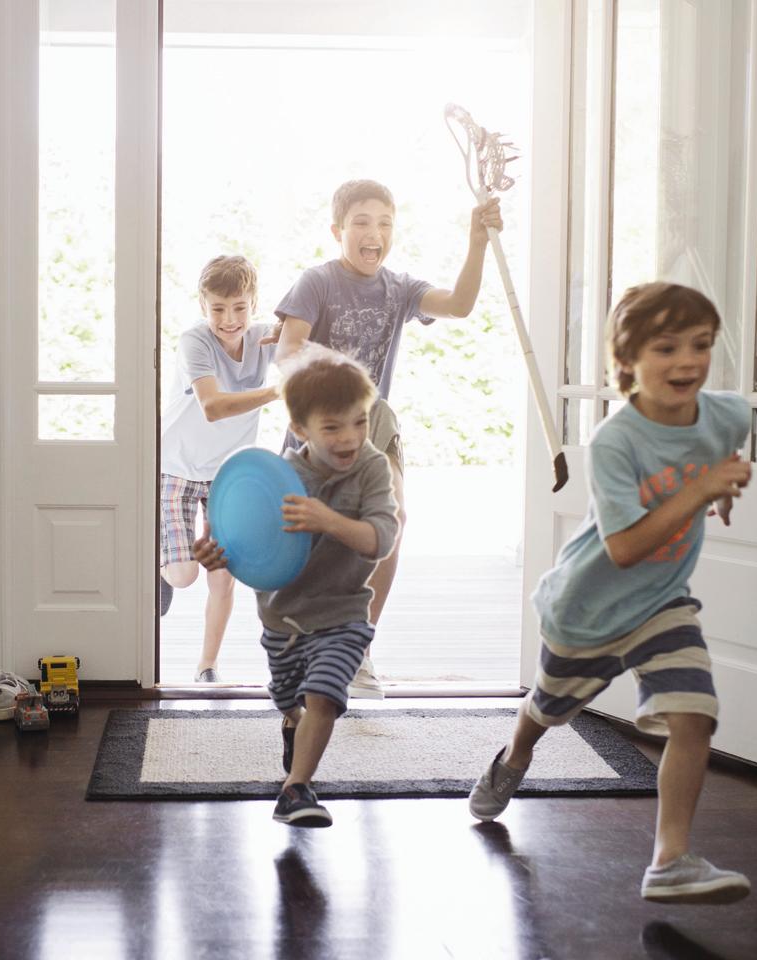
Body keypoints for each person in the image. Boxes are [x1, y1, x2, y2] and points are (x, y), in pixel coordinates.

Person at [468, 282, 753, 904]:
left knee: (694, 714)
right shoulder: (617, 441)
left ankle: (671, 859)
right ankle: (513, 757)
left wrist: (726, 485)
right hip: (588, 610)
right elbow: (625, 547)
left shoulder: (728, 412)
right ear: (626, 362)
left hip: (662, 602)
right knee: (548, 710)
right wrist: (703, 488)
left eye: (701, 345)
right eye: (666, 347)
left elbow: (726, 447)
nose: (688, 361)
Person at [273, 179, 502, 698]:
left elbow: (460, 304)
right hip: (317, 418)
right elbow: (287, 350)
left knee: (391, 517)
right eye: (361, 222)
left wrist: (478, 241)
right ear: (338, 230)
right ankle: (303, 643)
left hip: (374, 419)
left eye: (384, 223)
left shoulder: (399, 288)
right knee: (309, 538)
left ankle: (357, 647)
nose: (373, 233)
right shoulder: (317, 281)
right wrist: (318, 398)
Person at [193, 347, 399, 826]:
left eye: (360, 422)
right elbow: (247, 548)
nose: (350, 437)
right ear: (301, 430)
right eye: (333, 427)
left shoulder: (371, 469)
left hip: (344, 612)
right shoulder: (278, 480)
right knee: (293, 700)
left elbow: (382, 539)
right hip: (283, 617)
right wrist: (215, 555)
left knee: (324, 694)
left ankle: (296, 790)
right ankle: (291, 721)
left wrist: (328, 520)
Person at [160, 255, 279, 683]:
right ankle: (159, 564)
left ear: (254, 303)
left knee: (223, 577)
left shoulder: (266, 338)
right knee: (184, 575)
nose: (229, 320)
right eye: (218, 309)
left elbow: (307, 343)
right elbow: (212, 407)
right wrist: (274, 392)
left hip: (226, 475)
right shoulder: (195, 341)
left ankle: (207, 665)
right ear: (203, 304)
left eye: (240, 308)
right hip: (174, 466)